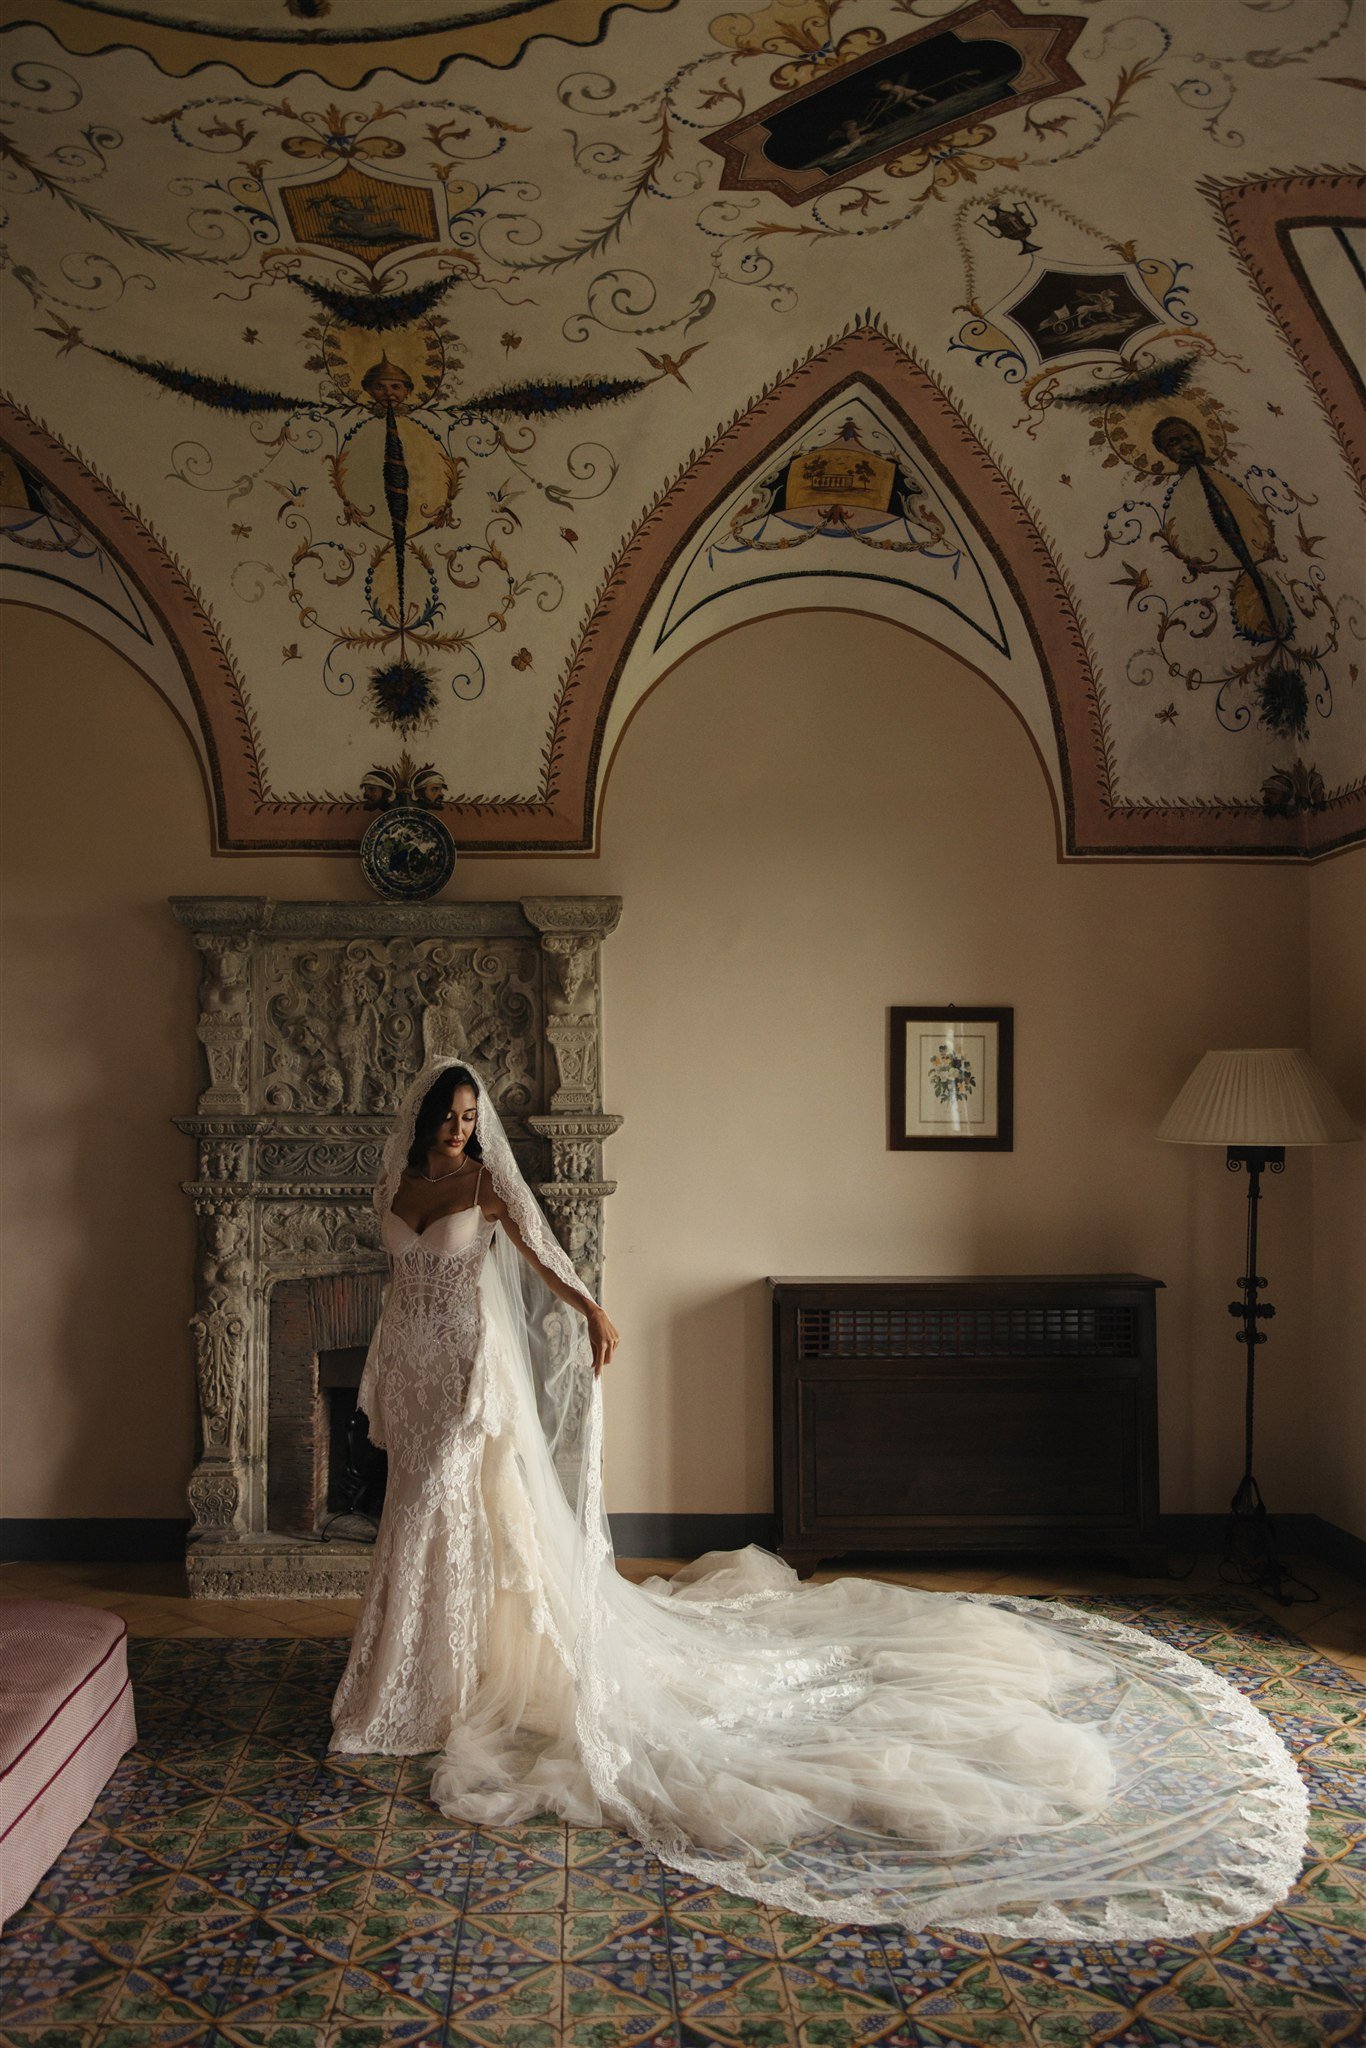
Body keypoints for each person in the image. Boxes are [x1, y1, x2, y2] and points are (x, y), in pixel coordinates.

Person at [332, 1056, 1306, 1938]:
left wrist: (591, 1309)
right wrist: (386, 1365)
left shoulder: (485, 1184)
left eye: (470, 1115)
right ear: (424, 1115)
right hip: (414, 1365)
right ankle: (417, 1669)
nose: (461, 1127)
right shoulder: (400, 1181)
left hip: (471, 1372)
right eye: (450, 1115)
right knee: (420, 1517)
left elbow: (540, 1255)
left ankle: (431, 1688)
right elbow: (394, 1282)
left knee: (445, 1519)